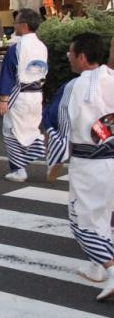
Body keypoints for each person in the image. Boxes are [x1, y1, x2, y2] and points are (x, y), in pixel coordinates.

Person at [42, 32, 114, 296]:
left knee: (81, 223)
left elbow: (57, 125)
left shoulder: (73, 87)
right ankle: (97, 268)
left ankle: (111, 269)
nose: (69, 57)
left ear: (82, 58)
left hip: (88, 163)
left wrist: (55, 161)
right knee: (106, 217)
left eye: (71, 53)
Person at [0, 8, 48, 183]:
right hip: (36, 94)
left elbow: (9, 74)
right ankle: (36, 153)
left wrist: (4, 98)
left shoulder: (17, 48)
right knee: (30, 129)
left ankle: (19, 168)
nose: (14, 26)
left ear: (24, 26)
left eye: (16, 22)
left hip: (19, 95)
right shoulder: (42, 46)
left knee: (12, 130)